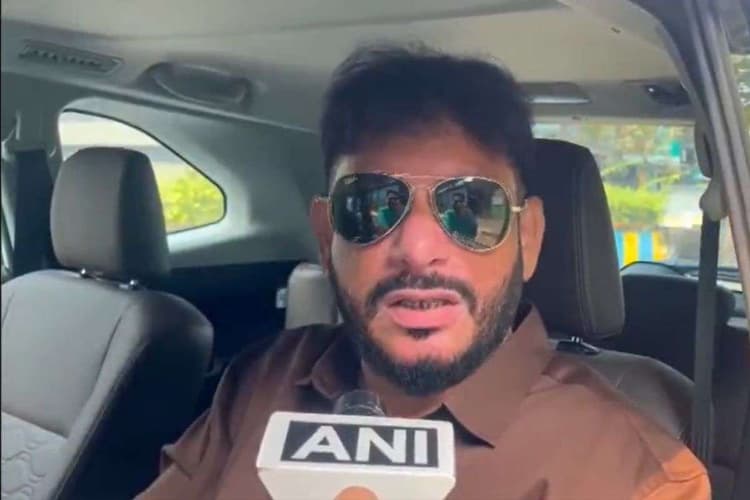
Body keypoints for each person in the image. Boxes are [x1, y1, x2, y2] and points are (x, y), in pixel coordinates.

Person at [137, 45, 709, 499]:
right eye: (371, 206)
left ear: (528, 238)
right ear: (327, 236)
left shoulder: (637, 479)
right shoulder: (263, 379)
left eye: (470, 208)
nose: (416, 249)